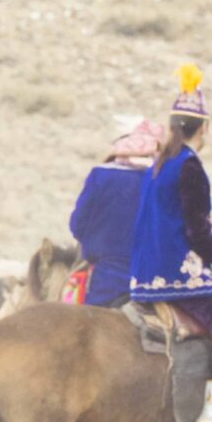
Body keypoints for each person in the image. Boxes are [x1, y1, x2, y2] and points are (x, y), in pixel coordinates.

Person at [129, 64, 212, 422]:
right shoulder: (189, 166)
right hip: (178, 274)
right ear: (203, 129)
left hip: (144, 274)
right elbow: (198, 227)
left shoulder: (159, 164)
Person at [69, 120, 166, 307]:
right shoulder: (164, 180)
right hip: (152, 284)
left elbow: (77, 225)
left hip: (105, 281)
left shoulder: (100, 175)